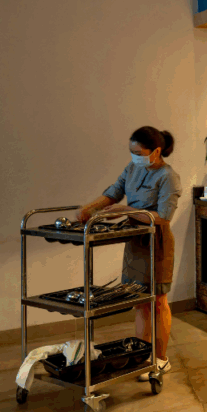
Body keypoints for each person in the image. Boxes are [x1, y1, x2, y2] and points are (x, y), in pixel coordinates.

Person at [76, 127, 181, 381]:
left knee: (157, 302)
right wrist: (88, 209)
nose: (135, 157)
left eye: (139, 152)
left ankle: (161, 359)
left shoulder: (169, 177)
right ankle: (142, 356)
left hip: (157, 244)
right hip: (134, 243)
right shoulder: (132, 169)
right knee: (139, 301)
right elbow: (113, 193)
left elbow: (164, 218)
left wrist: (127, 210)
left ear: (156, 151)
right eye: (131, 152)